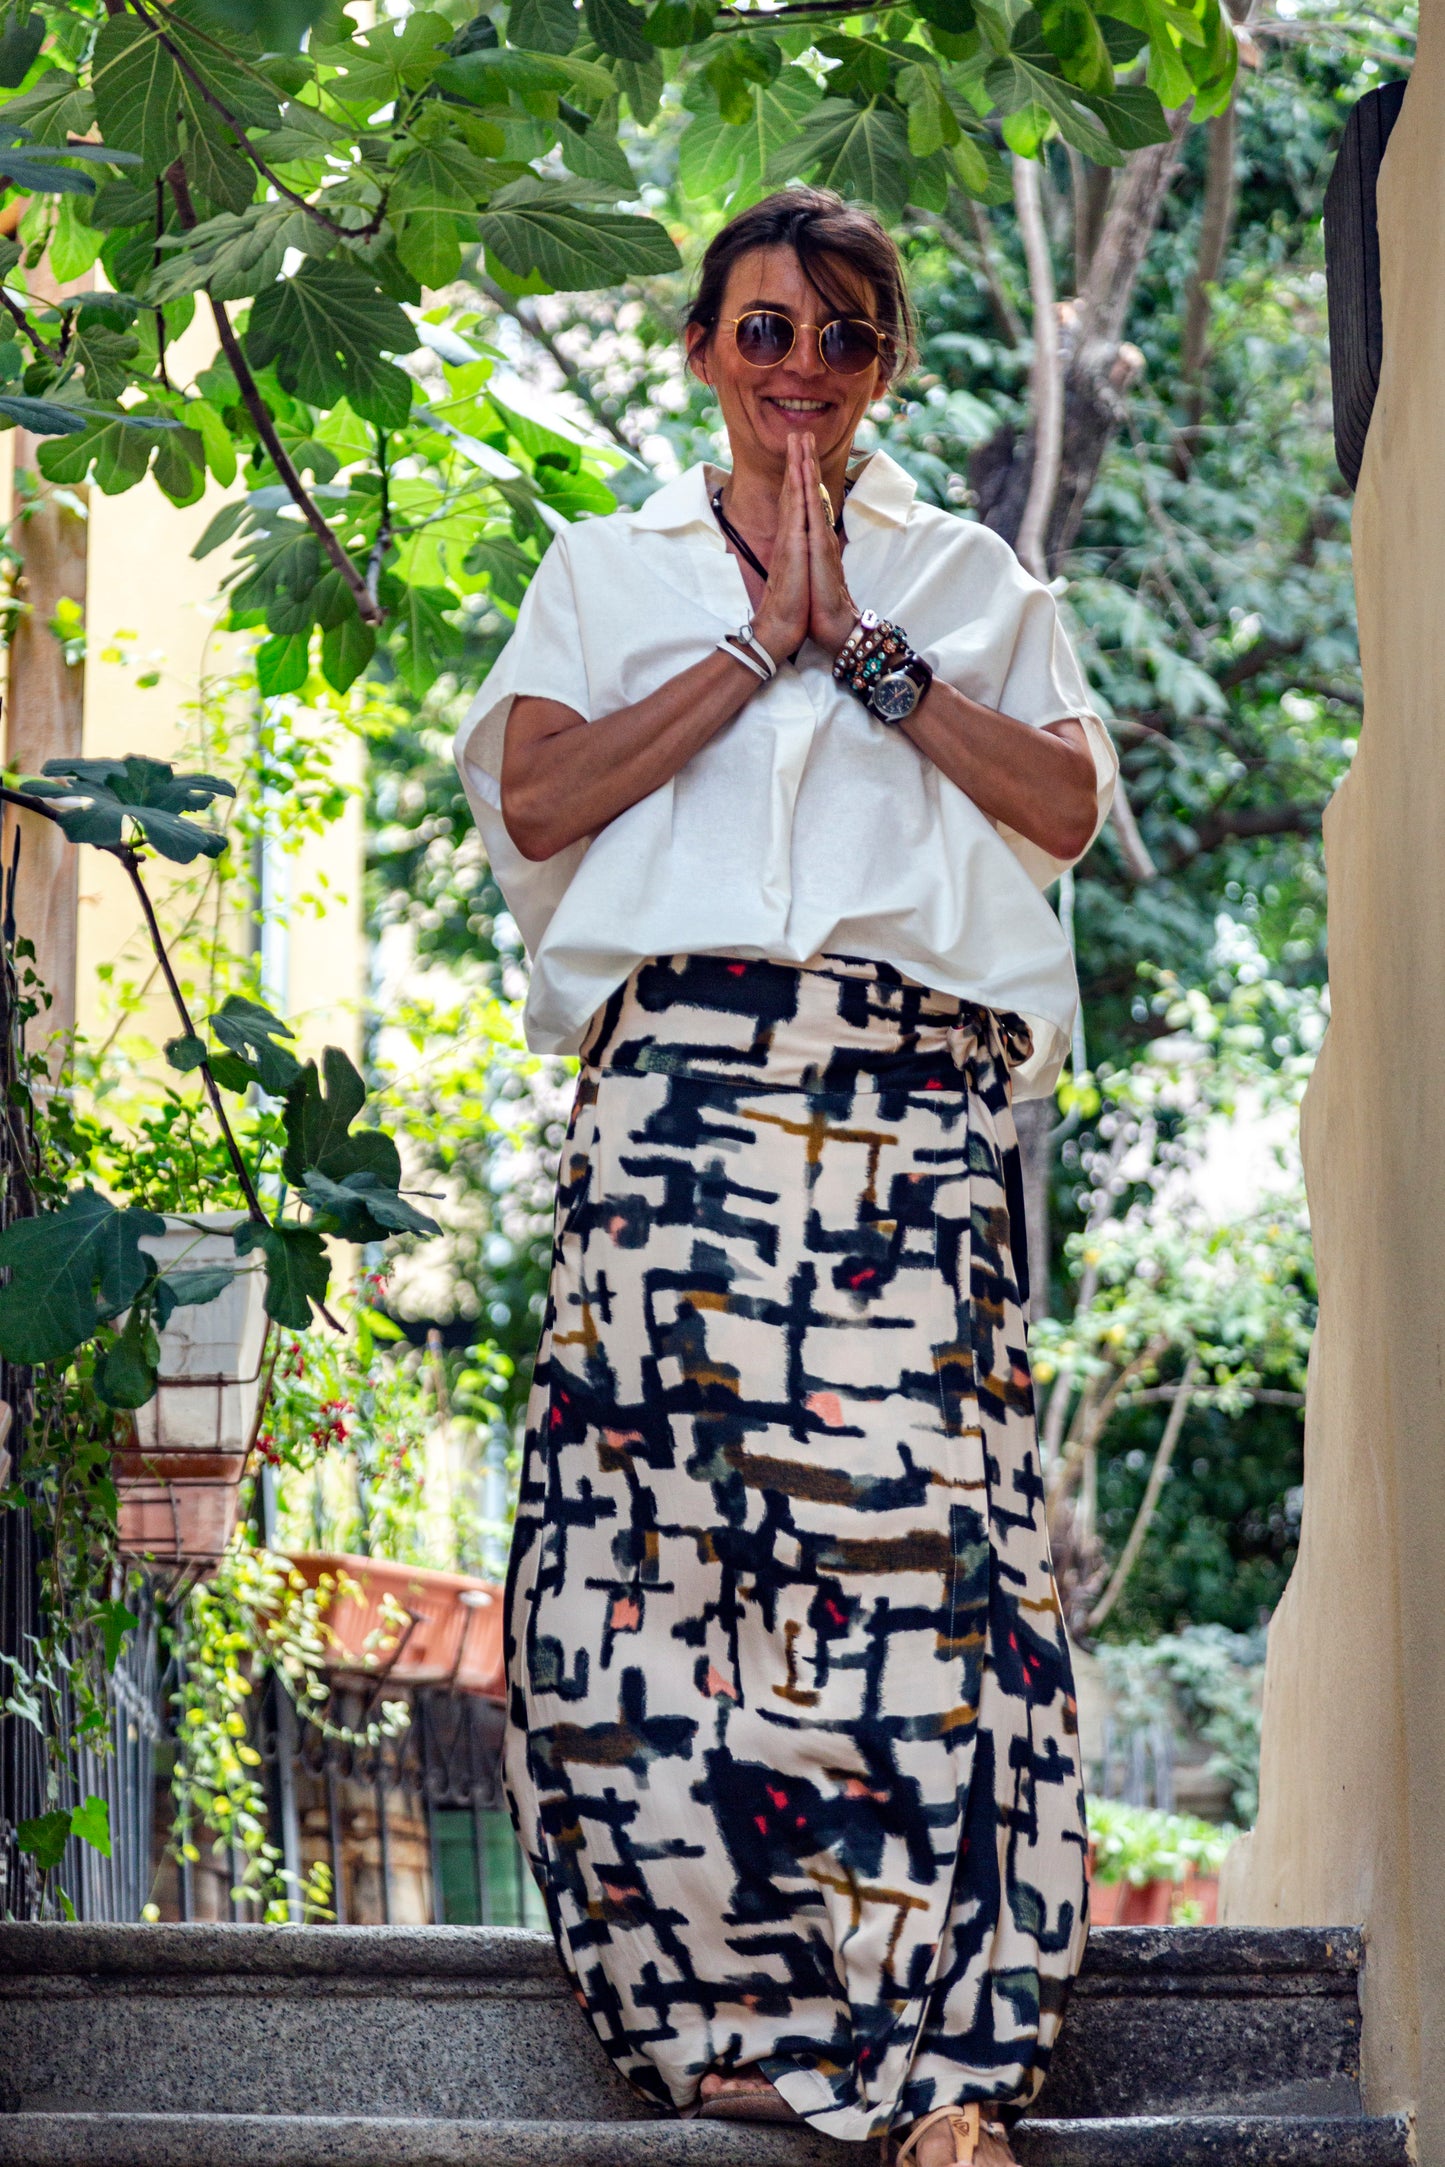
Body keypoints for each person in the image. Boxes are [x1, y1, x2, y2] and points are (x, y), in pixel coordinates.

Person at [454, 185, 1117, 2167]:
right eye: (764, 331)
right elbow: (542, 794)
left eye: (839, 337)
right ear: (703, 352)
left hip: (909, 1106)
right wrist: (755, 650)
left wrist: (880, 664)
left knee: (932, 1564)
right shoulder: (605, 565)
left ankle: (947, 2067)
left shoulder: (973, 577)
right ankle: (726, 2028)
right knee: (656, 1563)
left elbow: (1066, 805)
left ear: (886, 362)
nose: (800, 374)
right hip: (674, 1105)